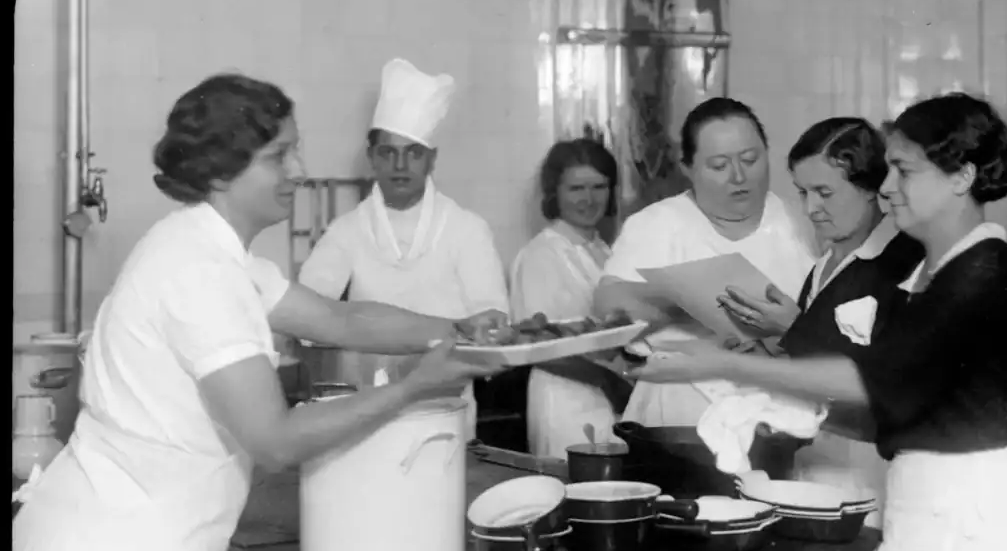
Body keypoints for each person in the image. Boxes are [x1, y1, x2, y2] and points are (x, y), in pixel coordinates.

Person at [10, 73, 504, 551]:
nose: (299, 170)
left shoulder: (219, 253)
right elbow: (272, 437)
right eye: (279, 155)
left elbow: (339, 319)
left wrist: (458, 330)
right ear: (221, 170)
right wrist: (412, 388)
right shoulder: (199, 272)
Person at [630, 93, 1007, 551]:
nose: (888, 186)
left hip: (983, 520)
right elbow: (885, 410)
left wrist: (725, 365)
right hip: (930, 509)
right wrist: (775, 399)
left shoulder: (987, 271)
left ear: (963, 177)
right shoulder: (933, 274)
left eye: (905, 169)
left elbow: (870, 381)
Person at [715, 118, 925, 528]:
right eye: (803, 193)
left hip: (871, 475)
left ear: (870, 188)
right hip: (811, 466)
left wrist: (795, 329)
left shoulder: (903, 263)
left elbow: (887, 387)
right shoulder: (825, 264)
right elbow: (810, 364)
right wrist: (760, 350)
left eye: (825, 192)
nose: (811, 209)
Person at [297, 58, 510, 437]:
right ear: (372, 158)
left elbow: (493, 323)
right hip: (368, 410)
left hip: (449, 410)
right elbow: (306, 314)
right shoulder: (347, 231)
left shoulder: (466, 230)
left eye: (413, 152)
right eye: (388, 152)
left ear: (431, 158)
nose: (400, 165)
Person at [594, 97, 819, 427]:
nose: (739, 176)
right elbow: (607, 309)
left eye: (750, 159)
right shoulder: (658, 225)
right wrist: (687, 301)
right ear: (688, 168)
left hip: (782, 414)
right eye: (719, 165)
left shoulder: (802, 222)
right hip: (678, 416)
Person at [509, 138, 628, 458]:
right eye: (576, 188)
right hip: (563, 401)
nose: (588, 199)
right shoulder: (540, 255)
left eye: (599, 186)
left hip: (609, 400)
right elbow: (535, 345)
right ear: (555, 192)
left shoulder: (605, 251)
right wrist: (607, 381)